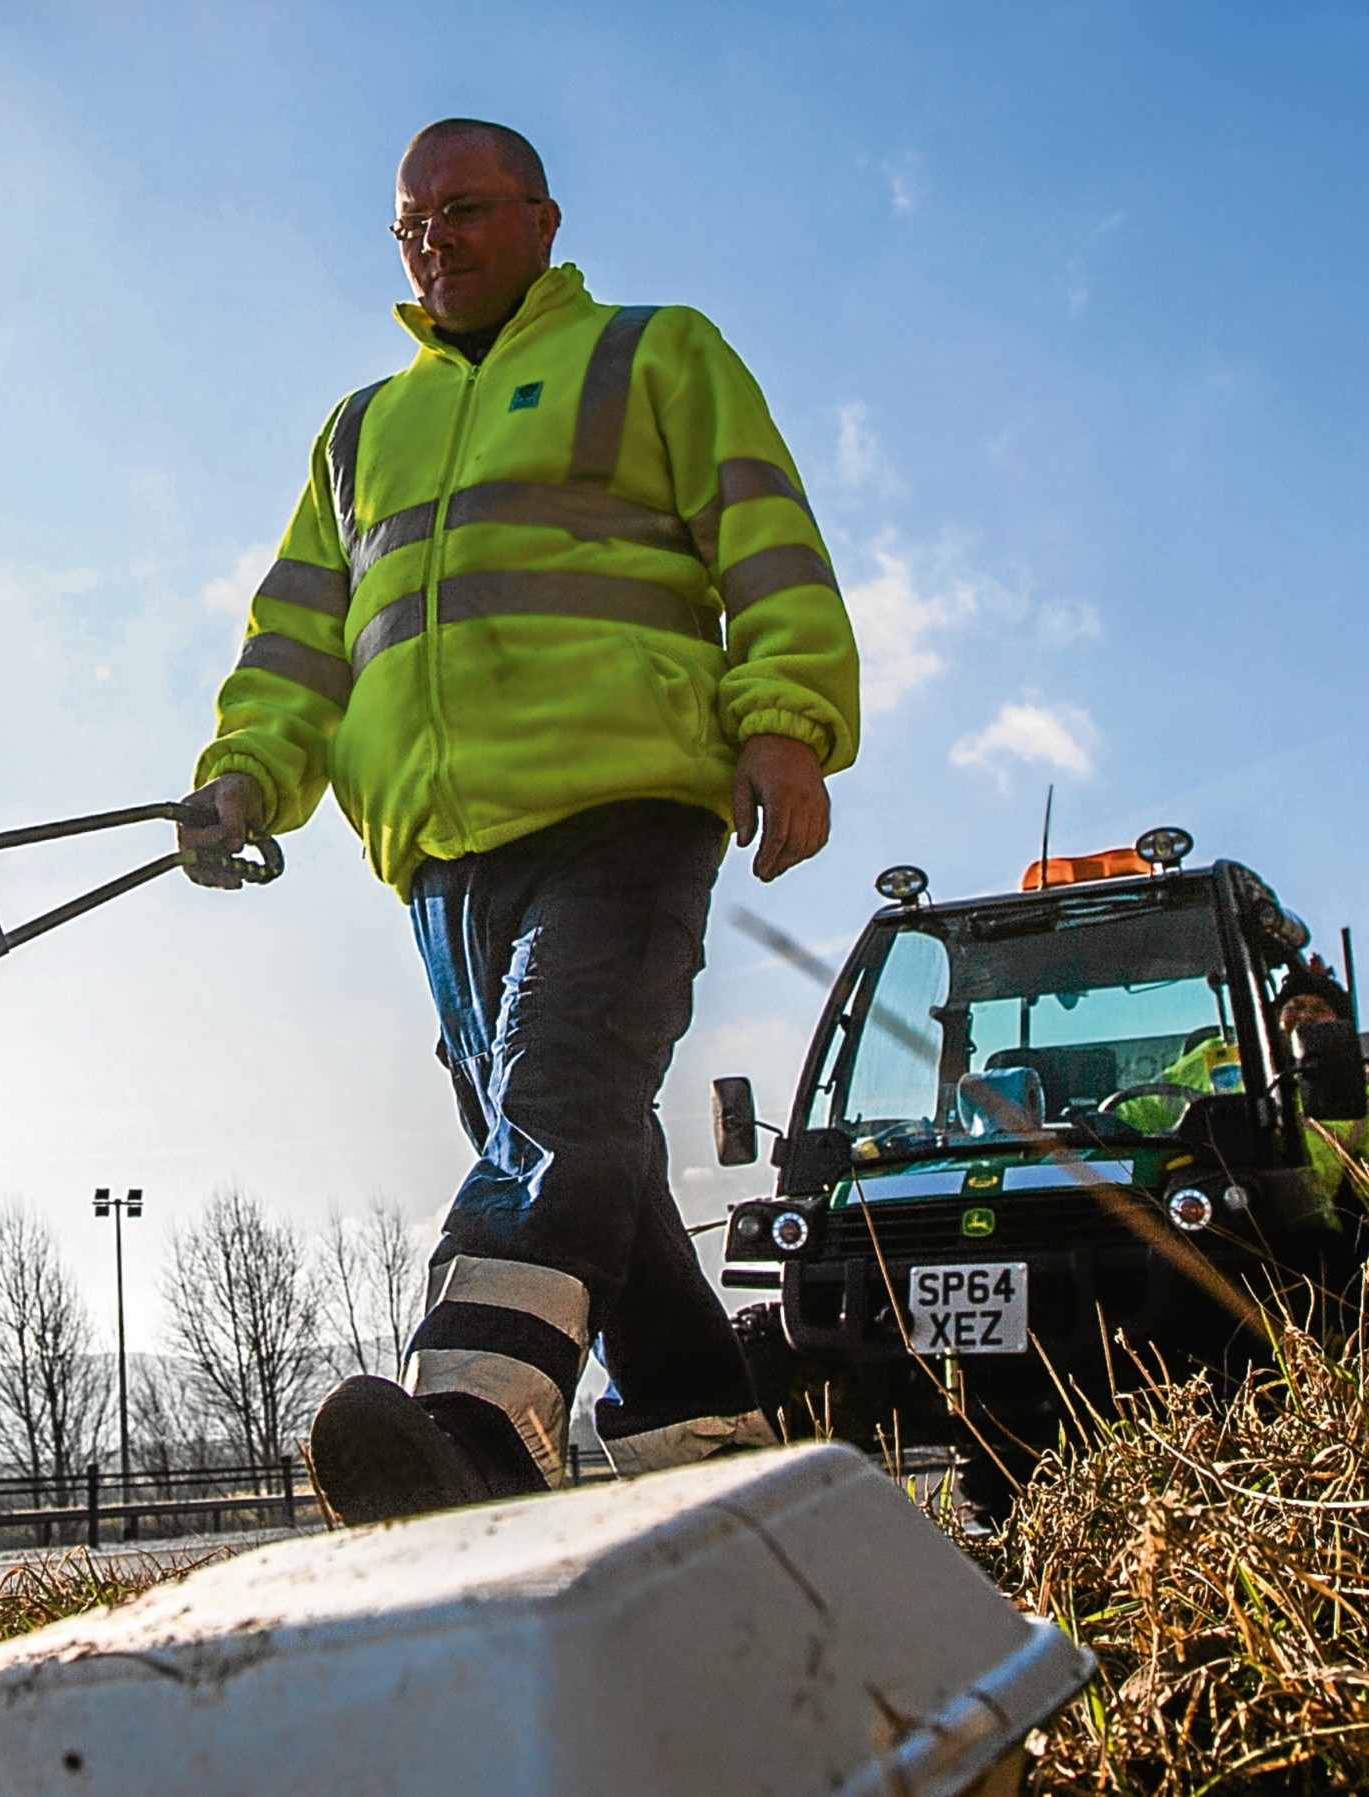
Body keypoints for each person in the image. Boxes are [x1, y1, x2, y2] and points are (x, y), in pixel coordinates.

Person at [177, 119, 859, 1523]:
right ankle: (715, 1463)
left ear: (543, 220)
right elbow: (302, 639)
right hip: (439, 862)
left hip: (626, 805)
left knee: (555, 1109)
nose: (438, 239)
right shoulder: (359, 431)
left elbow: (765, 540)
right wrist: (246, 770)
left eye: (467, 210)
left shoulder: (654, 354)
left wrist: (785, 721)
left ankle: (474, 1427)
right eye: (412, 223)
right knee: (584, 1145)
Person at [1116, 973, 1369, 1231]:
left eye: (1319, 1009)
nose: (1305, 1015)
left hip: (1298, 1235)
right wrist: (1108, 1125)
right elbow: (1147, 1106)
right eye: (1294, 1006)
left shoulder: (1362, 1103)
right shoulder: (1219, 1058)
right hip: (1195, 1217)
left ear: (1339, 1028)